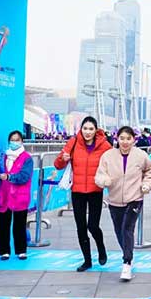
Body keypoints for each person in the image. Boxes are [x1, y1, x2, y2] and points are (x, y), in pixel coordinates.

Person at [95, 126, 151, 281]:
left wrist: (146, 185)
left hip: (135, 198)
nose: (125, 142)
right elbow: (100, 175)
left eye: (128, 138)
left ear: (134, 140)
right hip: (114, 199)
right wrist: (104, 181)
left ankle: (127, 263)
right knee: (119, 231)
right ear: (117, 139)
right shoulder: (108, 156)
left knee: (127, 229)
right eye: (122, 138)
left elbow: (150, 171)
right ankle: (128, 254)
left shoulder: (141, 155)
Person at [54, 116, 112, 272]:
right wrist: (63, 159)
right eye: (85, 128)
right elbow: (57, 165)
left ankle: (101, 248)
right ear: (81, 129)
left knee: (93, 226)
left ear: (96, 130)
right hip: (77, 192)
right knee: (81, 227)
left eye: (91, 129)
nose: (87, 132)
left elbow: (114, 163)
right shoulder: (73, 142)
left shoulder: (105, 145)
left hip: (96, 191)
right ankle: (87, 260)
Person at [0, 130, 33, 260]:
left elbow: (24, 176)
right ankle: (4, 251)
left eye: (17, 140)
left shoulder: (27, 158)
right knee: (2, 224)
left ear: (22, 141)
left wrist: (9, 177)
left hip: (20, 196)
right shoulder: (3, 157)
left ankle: (21, 251)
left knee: (19, 224)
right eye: (12, 140)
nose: (14, 142)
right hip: (5, 195)